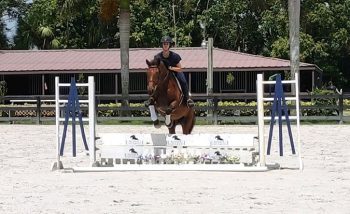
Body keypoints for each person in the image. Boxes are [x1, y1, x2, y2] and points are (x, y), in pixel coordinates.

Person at [155, 36, 194, 107]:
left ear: (169, 45)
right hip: (162, 75)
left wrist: (171, 68)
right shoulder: (158, 57)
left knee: (183, 81)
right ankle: (153, 97)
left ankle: (187, 99)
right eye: (164, 44)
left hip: (175, 72)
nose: (165, 45)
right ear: (162, 45)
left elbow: (180, 69)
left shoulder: (175, 56)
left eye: (167, 44)